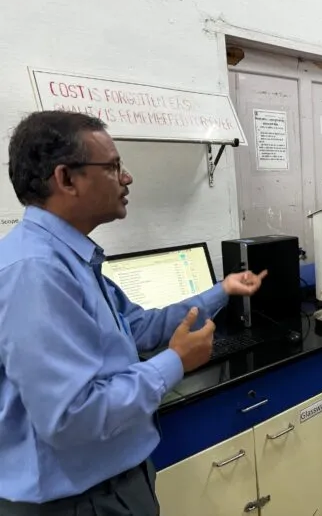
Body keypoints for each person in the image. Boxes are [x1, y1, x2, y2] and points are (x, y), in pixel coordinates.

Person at [0, 110, 267, 515]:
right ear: (66, 179)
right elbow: (72, 416)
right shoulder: (36, 273)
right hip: (77, 502)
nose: (127, 178)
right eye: (113, 167)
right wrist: (175, 362)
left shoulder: (70, 259)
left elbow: (138, 327)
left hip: (109, 485)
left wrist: (222, 289)